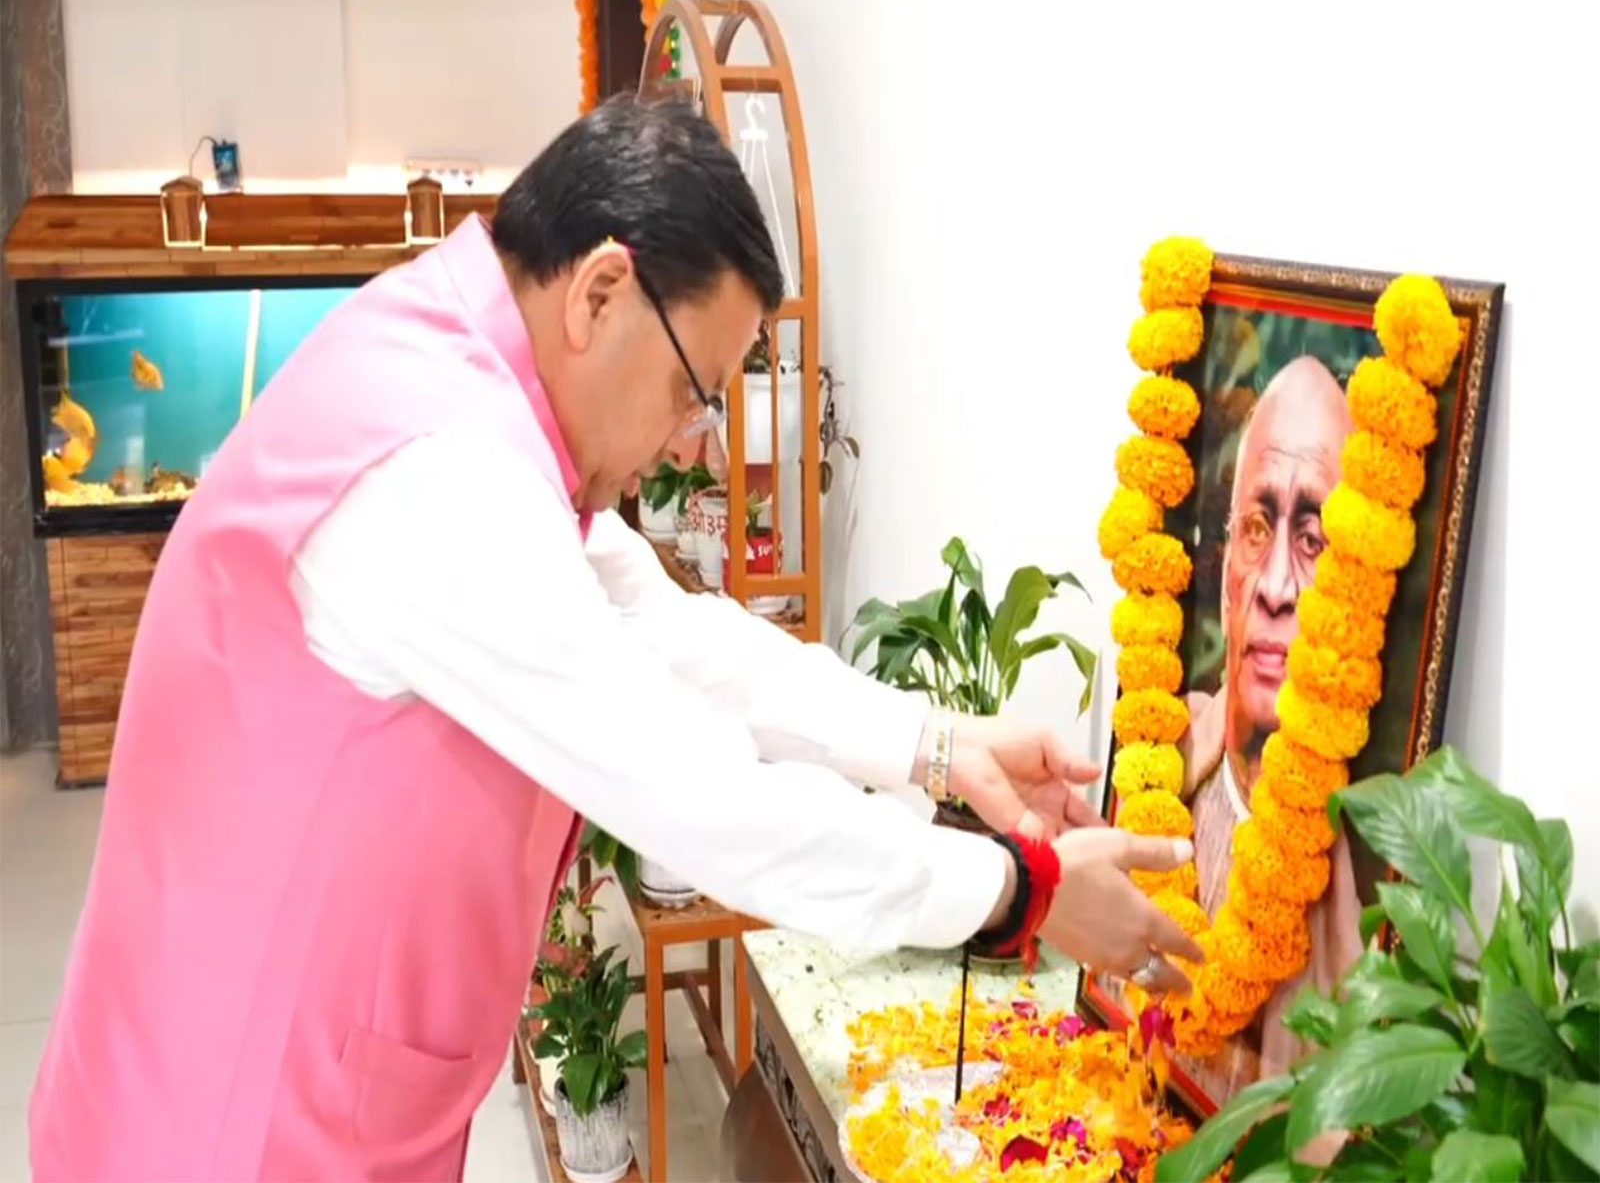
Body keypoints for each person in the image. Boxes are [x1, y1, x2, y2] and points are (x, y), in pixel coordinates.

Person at [28, 98, 1200, 1182]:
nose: (696, 441)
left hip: (293, 1074)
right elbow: (706, 803)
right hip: (229, 1121)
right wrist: (1022, 891)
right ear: (599, 292)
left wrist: (937, 743)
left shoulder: (459, 371)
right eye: (702, 387)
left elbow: (665, 632)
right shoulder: (443, 477)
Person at [1182, 356, 1363, 1097]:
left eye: (1314, 542)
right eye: (1259, 529)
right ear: (1225, 564)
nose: (1280, 587)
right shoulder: (1161, 758)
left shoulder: (1355, 885)